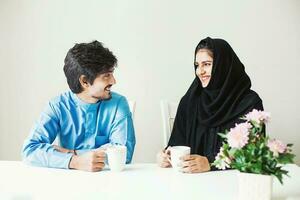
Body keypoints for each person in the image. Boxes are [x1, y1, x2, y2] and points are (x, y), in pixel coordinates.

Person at [22, 41, 136, 172]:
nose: (113, 81)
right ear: (85, 81)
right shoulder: (57, 106)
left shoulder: (118, 104)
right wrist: (74, 162)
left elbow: (123, 153)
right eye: (107, 76)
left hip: (108, 180)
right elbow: (29, 150)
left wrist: (72, 153)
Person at [157, 37, 263, 173]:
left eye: (206, 64)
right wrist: (166, 156)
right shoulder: (190, 100)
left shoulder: (249, 103)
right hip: (193, 183)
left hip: (235, 183)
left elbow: (252, 154)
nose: (199, 71)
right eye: (197, 65)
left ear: (223, 65)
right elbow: (177, 144)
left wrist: (210, 163)